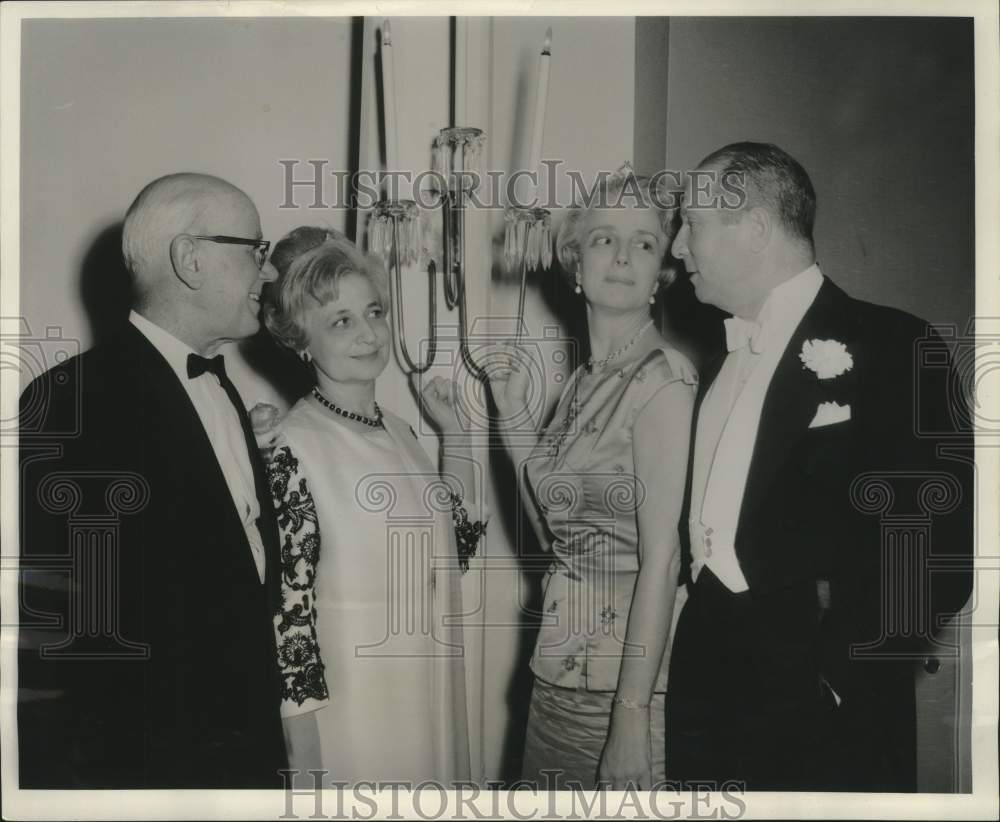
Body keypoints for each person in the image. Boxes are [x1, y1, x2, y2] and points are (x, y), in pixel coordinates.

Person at [665, 141, 974, 791]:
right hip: (707, 703)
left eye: (691, 224)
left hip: (828, 720)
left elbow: (936, 554)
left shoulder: (894, 344)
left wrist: (836, 683)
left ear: (753, 227)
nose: (676, 249)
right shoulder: (720, 361)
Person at [18, 173, 288, 787]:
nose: (267, 273)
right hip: (152, 766)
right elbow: (68, 640)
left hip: (241, 753)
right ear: (191, 258)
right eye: (255, 249)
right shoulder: (74, 400)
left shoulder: (223, 389)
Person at [490, 167, 697, 790]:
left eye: (644, 242)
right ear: (576, 262)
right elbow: (553, 535)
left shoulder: (663, 378)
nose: (624, 255)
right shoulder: (582, 383)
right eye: (605, 238)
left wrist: (630, 720)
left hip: (626, 688)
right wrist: (511, 417)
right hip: (556, 673)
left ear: (661, 272)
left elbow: (663, 559)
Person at [261, 231, 485, 784]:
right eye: (340, 320)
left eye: (374, 312)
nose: (368, 333)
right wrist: (305, 757)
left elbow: (456, 550)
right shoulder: (288, 447)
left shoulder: (403, 432)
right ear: (299, 340)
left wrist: (455, 434)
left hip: (430, 695)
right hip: (355, 718)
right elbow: (289, 615)